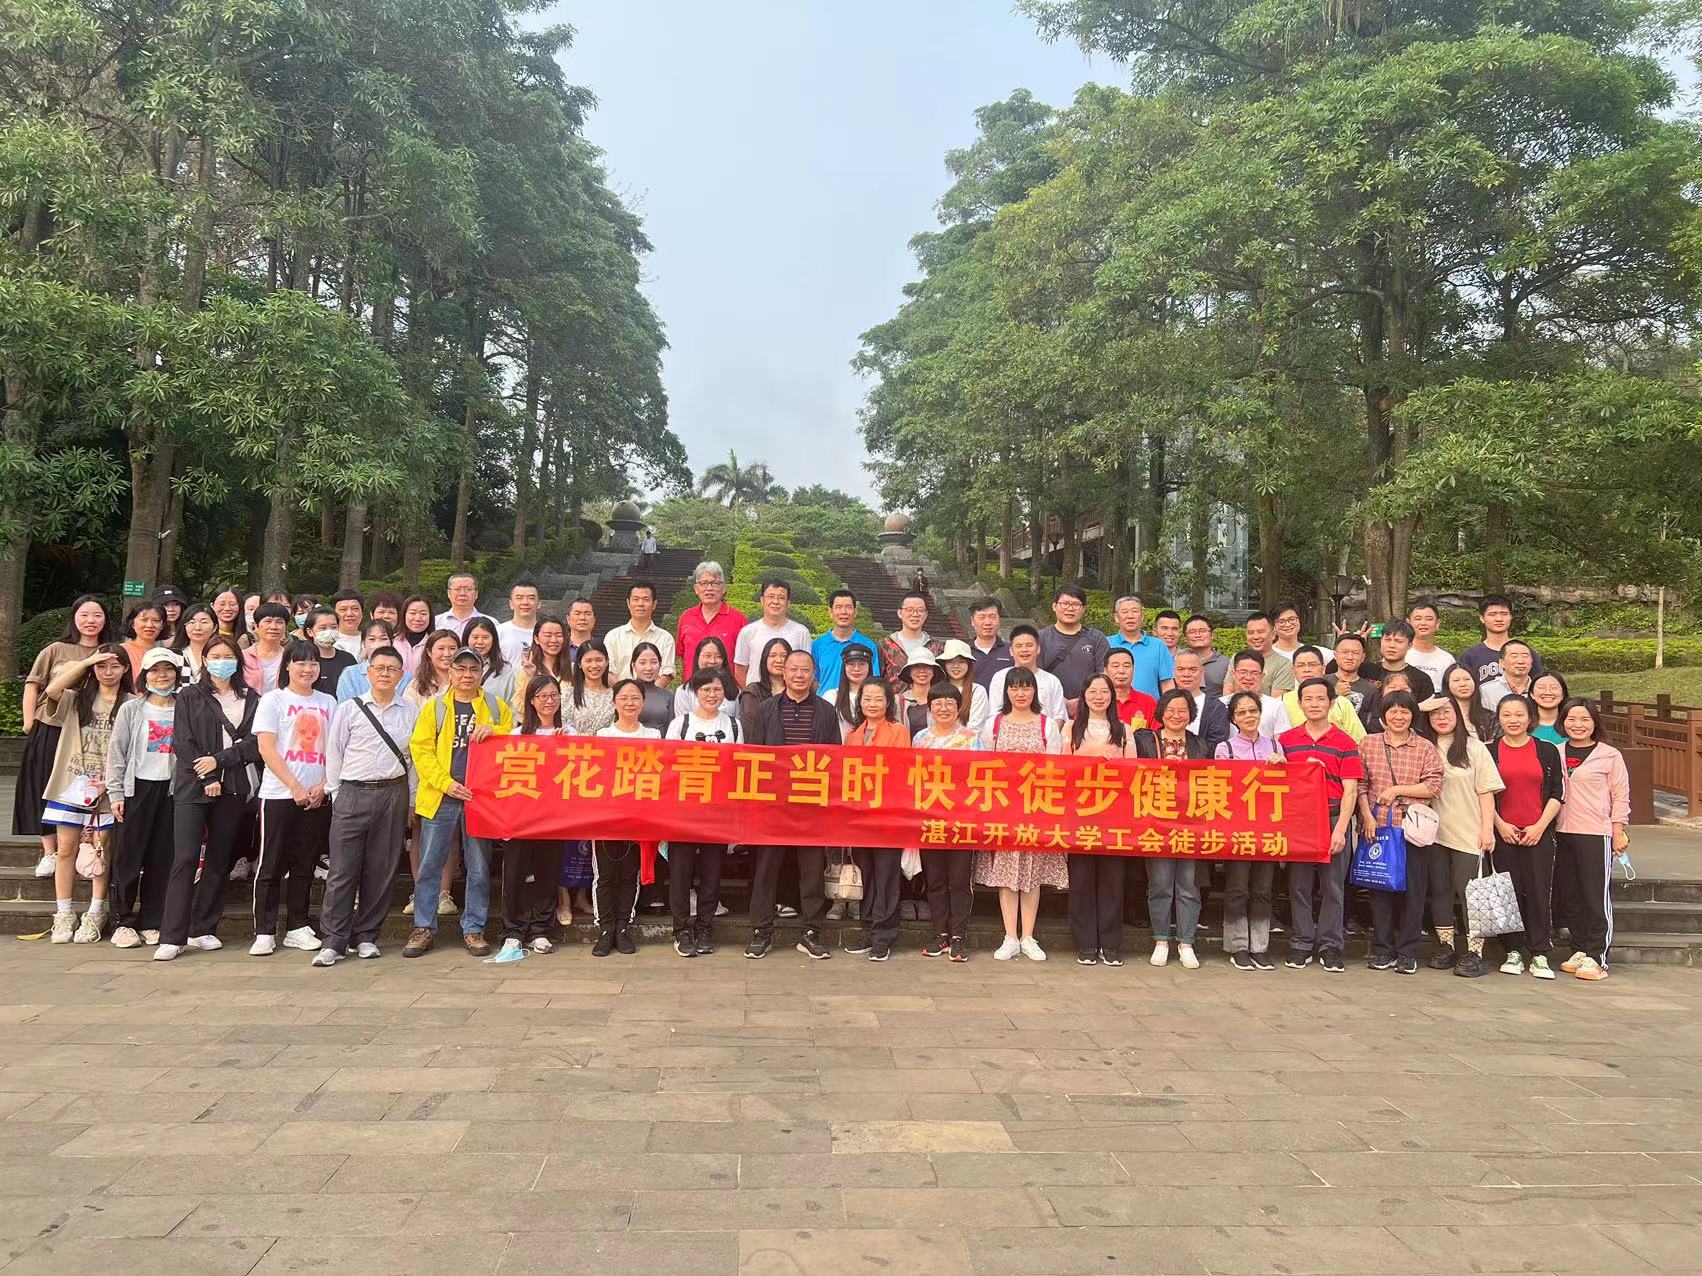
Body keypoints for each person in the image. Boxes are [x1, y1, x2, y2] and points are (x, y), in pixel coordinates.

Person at [403, 646, 514, 959]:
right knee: (430, 864)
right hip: (442, 794)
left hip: (481, 797)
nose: (467, 675)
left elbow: (513, 738)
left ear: (481, 673)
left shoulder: (495, 706)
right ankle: (423, 927)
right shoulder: (435, 708)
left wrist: (495, 730)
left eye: (473, 669)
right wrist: (447, 784)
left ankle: (474, 927)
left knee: (478, 865)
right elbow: (421, 751)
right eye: (461, 669)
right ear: (450, 672)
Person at [155, 635, 261, 960]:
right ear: (204, 660)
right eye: (215, 656)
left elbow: (255, 743)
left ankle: (203, 928)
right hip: (193, 786)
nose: (221, 661)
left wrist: (220, 761)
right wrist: (208, 775)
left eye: (228, 656)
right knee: (185, 858)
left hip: (234, 786)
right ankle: (172, 935)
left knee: (219, 860)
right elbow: (183, 741)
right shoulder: (190, 695)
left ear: (238, 660)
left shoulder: (252, 698)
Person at [314, 644, 417, 967]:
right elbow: (334, 752)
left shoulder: (410, 711)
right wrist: (335, 793)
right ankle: (334, 939)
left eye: (392, 669)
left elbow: (414, 761)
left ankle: (367, 935)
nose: (385, 674)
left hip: (393, 793)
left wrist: (412, 801)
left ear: (401, 675)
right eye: (379, 668)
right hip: (352, 792)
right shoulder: (349, 709)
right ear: (368, 672)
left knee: (382, 869)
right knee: (342, 869)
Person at [744, 650, 840, 960]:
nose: (799, 675)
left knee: (812, 871)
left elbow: (835, 758)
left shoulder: (826, 711)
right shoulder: (766, 709)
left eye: (805, 670)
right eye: (793, 669)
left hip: (812, 804)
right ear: (783, 673)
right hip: (773, 805)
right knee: (766, 869)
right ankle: (761, 931)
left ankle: (810, 931)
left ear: (814, 674)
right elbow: (755, 755)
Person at [38, 645, 130, 943]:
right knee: (66, 848)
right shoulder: (77, 699)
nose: (108, 672)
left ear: (126, 669)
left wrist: (111, 782)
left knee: (102, 849)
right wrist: (88, 660)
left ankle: (95, 912)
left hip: (109, 787)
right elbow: (52, 689)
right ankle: (64, 913)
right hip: (72, 784)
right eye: (101, 666)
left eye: (114, 666)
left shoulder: (131, 704)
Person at [17, 595, 111, 877]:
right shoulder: (55, 649)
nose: (91, 620)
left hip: (89, 730)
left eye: (97, 615)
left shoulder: (110, 651)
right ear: (74, 618)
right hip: (51, 726)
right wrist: (29, 722)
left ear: (105, 619)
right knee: (47, 785)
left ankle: (83, 848)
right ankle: (49, 852)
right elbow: (33, 686)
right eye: (84, 615)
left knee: (86, 786)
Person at [251, 640, 335, 956]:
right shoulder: (273, 700)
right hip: (278, 794)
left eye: (313, 662)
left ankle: (297, 927)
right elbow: (266, 748)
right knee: (271, 864)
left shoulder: (329, 702)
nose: (307, 668)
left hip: (317, 797)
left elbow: (334, 749)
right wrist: (295, 788)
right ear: (287, 665)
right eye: (300, 662)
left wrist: (323, 786)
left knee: (305, 863)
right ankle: (264, 930)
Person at [976, 668, 1065, 961]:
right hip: (1003, 808)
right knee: (1006, 873)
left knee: (1031, 873)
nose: (1020, 693)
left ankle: (1028, 936)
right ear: (1007, 692)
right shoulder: (994, 724)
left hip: (1036, 808)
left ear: (1035, 691)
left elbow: (1054, 767)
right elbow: (986, 764)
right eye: (1014, 688)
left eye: (1026, 687)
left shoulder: (1047, 725)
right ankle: (1009, 937)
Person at [1355, 690, 1445, 974]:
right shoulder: (1368, 744)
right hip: (1377, 828)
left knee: (1413, 893)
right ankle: (1383, 950)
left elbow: (1434, 785)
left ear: (1412, 715)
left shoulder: (1425, 747)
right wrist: (1366, 817)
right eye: (1392, 711)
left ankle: (1407, 952)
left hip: (1411, 831)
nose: (1398, 716)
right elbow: (1360, 785)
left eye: (1404, 711)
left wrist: (1396, 790)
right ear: (1383, 716)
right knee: (1379, 891)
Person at [1277, 678, 1364, 973]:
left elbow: (1351, 790)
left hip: (1333, 816)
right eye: (1308, 699)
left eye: (1320, 698)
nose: (1314, 704)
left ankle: (1330, 946)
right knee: (1298, 885)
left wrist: (1340, 829)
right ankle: (1302, 943)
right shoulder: (1287, 740)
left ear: (1331, 703)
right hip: (1299, 821)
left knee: (1333, 886)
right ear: (1300, 703)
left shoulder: (1345, 742)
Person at [1416, 695, 1503, 978]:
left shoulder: (1474, 748)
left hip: (1469, 832)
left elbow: (1486, 792)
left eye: (1446, 712)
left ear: (1458, 715)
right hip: (1432, 833)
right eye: (1434, 714)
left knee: (1473, 894)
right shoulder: (1423, 747)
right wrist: (1423, 706)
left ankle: (1475, 952)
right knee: (1440, 891)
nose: (1441, 718)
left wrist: (1487, 829)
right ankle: (1447, 946)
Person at [104, 647, 185, 949]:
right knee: (127, 857)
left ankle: (153, 920)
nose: (162, 676)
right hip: (136, 789)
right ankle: (123, 922)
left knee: (161, 858)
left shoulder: (184, 708)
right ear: (145, 675)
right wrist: (115, 793)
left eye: (168, 669)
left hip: (171, 791)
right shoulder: (131, 709)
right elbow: (117, 753)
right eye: (155, 670)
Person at [1486, 694, 1565, 979]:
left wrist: (1540, 826)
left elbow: (1557, 793)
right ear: (1499, 718)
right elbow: (1482, 793)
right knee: (1507, 892)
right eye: (1506, 715)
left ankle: (1540, 952)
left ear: (1529, 717)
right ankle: (1513, 950)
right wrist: (1500, 825)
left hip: (1537, 833)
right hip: (1503, 833)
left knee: (1538, 891)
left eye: (1519, 714)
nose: (1513, 720)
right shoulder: (1489, 750)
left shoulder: (1546, 750)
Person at [664, 669, 742, 958]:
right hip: (684, 812)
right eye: (706, 689)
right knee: (681, 873)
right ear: (695, 692)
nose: (712, 695)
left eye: (717, 689)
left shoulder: (733, 725)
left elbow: (738, 766)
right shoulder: (680, 724)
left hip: (717, 812)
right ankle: (681, 930)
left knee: (712, 871)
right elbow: (667, 765)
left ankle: (705, 927)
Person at [1553, 697, 1630, 983]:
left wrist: (1618, 831)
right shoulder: (1555, 752)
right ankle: (1580, 948)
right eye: (1572, 719)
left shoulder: (1609, 755)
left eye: (1585, 719)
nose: (1578, 725)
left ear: (1595, 722)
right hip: (1562, 831)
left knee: (1594, 896)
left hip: (1596, 833)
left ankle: (1598, 956)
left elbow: (1620, 796)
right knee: (1571, 896)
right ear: (1563, 722)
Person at [497, 675, 573, 957]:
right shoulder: (517, 734)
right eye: (542, 696)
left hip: (553, 817)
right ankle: (513, 930)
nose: (549, 701)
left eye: (554, 695)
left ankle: (541, 929)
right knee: (514, 873)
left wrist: (565, 747)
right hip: (521, 816)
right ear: (531, 701)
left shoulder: (569, 732)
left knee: (547, 872)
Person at [1139, 689, 1212, 969]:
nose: (1176, 715)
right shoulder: (1146, 740)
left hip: (1192, 825)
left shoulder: (1200, 745)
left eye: (1182, 710)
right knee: (1159, 883)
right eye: (1170, 710)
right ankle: (1161, 940)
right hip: (1156, 824)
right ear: (1161, 712)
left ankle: (1186, 942)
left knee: (1189, 885)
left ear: (1191, 714)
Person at [1063, 674, 1132, 966]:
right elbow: (1062, 769)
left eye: (1104, 691)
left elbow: (1133, 771)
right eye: (1093, 691)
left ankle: (1110, 943)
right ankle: (1086, 943)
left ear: (1112, 696)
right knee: (1081, 880)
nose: (1099, 696)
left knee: (1112, 881)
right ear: (1084, 696)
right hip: (1080, 815)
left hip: (1114, 816)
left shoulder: (1124, 729)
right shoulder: (1071, 728)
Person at [588, 679, 661, 956]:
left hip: (639, 817)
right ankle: (605, 929)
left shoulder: (653, 736)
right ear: (614, 702)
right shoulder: (603, 734)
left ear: (643, 702)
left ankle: (622, 927)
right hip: (606, 816)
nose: (629, 703)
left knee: (630, 874)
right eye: (624, 698)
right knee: (605, 874)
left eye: (635, 698)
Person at [841, 681, 911, 961]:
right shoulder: (852, 735)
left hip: (887, 816)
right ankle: (868, 930)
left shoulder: (898, 731)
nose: (872, 704)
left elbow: (901, 771)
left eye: (878, 699)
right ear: (859, 702)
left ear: (888, 703)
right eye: (867, 698)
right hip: (860, 819)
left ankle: (884, 936)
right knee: (867, 875)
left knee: (886, 877)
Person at [1216, 690, 1286, 971]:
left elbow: (1286, 786)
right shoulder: (1225, 749)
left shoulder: (1276, 747)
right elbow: (1221, 788)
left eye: (1253, 711)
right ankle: (1238, 947)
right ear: (1233, 718)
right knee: (1237, 887)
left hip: (1267, 828)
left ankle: (1260, 946)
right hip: (1237, 828)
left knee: (1263, 888)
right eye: (1241, 712)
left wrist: (1282, 767)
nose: (1248, 716)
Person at [913, 682, 979, 961]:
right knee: (936, 880)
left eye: (949, 704)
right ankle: (940, 934)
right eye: (937, 704)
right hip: (929, 820)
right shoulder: (920, 739)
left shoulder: (972, 738)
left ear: (958, 707)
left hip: (962, 821)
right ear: (930, 707)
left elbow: (981, 778)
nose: (943, 708)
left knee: (960, 881)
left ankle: (959, 936)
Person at [558, 640, 613, 922]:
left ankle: (581, 895)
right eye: (589, 660)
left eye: (599, 659)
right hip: (571, 771)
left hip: (602, 774)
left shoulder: (614, 694)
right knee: (566, 836)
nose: (594, 665)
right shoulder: (567, 693)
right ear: (579, 663)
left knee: (589, 836)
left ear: (607, 662)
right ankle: (563, 899)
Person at [1040, 584, 1110, 713]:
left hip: (1089, 708)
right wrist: (1064, 703)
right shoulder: (1040, 638)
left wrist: (1083, 701)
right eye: (1065, 603)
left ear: (1083, 609)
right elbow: (1036, 676)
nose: (1070, 608)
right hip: (1048, 708)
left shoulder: (1097, 638)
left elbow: (1104, 676)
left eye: (1076, 604)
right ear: (1054, 606)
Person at [986, 625, 1067, 729]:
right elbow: (994, 713)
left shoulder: (1052, 680)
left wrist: (1046, 735)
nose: (1024, 650)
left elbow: (1060, 716)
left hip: (1046, 736)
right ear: (1011, 651)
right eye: (1019, 646)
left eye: (1029, 645)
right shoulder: (1000, 677)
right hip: (1008, 734)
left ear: (1038, 649)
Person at [1458, 594, 1544, 690]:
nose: (1499, 619)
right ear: (1482, 618)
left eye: (1504, 614)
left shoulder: (1527, 653)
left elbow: (1538, 687)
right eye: (1492, 614)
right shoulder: (1469, 656)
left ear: (1511, 617)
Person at [676, 561, 746, 680]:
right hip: (692, 687)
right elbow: (682, 655)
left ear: (723, 588)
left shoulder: (738, 619)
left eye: (715, 583)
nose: (709, 588)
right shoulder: (686, 617)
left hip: (726, 688)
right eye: (704, 583)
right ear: (696, 589)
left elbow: (744, 660)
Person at [733, 579, 810, 684]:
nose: (775, 602)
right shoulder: (747, 632)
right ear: (762, 600)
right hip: (757, 692)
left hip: (790, 693)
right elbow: (740, 670)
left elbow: (806, 667)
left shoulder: (801, 632)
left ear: (788, 603)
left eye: (781, 598)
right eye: (771, 597)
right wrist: (751, 692)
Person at [1283, 646, 1365, 742]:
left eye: (1313, 665)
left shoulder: (1341, 703)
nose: (1307, 669)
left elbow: (1360, 741)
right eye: (1301, 665)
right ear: (1293, 671)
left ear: (1323, 668)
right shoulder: (1281, 702)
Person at [605, 581, 676, 683]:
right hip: (620, 692)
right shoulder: (613, 636)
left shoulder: (665, 638)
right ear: (628, 603)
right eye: (636, 599)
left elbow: (667, 673)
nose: (640, 604)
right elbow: (608, 671)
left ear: (654, 604)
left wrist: (651, 692)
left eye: (646, 599)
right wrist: (625, 691)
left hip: (654, 692)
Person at [812, 588, 881, 692]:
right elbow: (814, 681)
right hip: (825, 701)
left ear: (855, 612)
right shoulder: (818, 645)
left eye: (848, 607)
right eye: (838, 607)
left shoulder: (868, 645)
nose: (843, 612)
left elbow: (873, 681)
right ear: (830, 612)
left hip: (856, 701)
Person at [1106, 596, 1175, 700]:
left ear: (1142, 616)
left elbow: (1167, 684)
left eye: (1135, 611)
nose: (1130, 616)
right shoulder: (1105, 643)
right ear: (1116, 617)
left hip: (1150, 708)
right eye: (1125, 612)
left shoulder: (1158, 646)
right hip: (1113, 707)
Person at [1219, 651, 1289, 739]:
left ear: (1262, 676)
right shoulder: (1219, 704)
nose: (1248, 677)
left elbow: (1280, 741)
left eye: (1254, 673)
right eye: (1243, 672)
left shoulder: (1276, 706)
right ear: (1233, 674)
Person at [1171, 649, 1230, 753]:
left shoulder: (1216, 707)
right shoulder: (1164, 704)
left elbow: (1217, 745)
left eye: (1192, 669)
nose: (1186, 674)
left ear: (1202, 672)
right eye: (1181, 669)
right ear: (1173, 671)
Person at [1362, 620, 1436, 702]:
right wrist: (1356, 642)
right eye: (1387, 640)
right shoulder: (1364, 671)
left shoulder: (1421, 679)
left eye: (1399, 641)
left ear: (1409, 645)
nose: (1391, 645)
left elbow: (1427, 707)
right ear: (1381, 641)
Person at [337, 619, 408, 702]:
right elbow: (344, 707)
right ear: (363, 643)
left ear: (391, 642)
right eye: (372, 639)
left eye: (383, 639)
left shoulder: (406, 678)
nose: (378, 644)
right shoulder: (350, 675)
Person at [673, 636, 739, 723]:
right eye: (707, 656)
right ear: (697, 658)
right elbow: (682, 724)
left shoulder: (734, 690)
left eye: (718, 656)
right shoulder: (684, 691)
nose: (712, 661)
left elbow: (738, 722)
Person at [512, 618, 570, 716]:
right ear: (536, 639)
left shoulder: (572, 669)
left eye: (559, 635)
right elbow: (522, 706)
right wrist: (529, 676)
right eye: (547, 635)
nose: (554, 640)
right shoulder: (527, 670)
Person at [737, 637, 792, 740]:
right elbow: (751, 731)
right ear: (764, 659)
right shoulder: (753, 692)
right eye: (773, 655)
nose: (779, 660)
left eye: (784, 656)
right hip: (762, 748)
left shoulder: (798, 692)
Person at [936, 639, 991, 737]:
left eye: (961, 662)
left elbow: (975, 728)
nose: (956, 666)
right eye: (950, 662)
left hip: (968, 743)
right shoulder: (937, 690)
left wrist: (955, 743)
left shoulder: (977, 691)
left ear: (968, 665)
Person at [878, 590, 938, 677]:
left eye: (920, 610)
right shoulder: (885, 645)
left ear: (926, 614)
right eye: (910, 610)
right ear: (899, 613)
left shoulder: (936, 647)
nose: (915, 614)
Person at [827, 643, 877, 740]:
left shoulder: (880, 696)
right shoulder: (831, 696)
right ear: (844, 667)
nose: (856, 669)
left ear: (869, 667)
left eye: (862, 664)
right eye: (851, 664)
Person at [1239, 612, 1297, 695]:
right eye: (1251, 632)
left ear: (1273, 635)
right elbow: (1228, 693)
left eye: (1261, 632)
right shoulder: (1237, 658)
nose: (1256, 637)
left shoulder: (1284, 664)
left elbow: (1277, 700)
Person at [304, 606, 357, 696]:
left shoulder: (348, 659)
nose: (329, 632)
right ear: (310, 632)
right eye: (322, 628)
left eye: (333, 627)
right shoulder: (304, 660)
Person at [1328, 633, 1379, 725]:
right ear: (1335, 655)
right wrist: (1335, 694)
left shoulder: (1371, 690)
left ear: (1363, 657)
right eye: (1345, 652)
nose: (1350, 657)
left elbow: (1373, 724)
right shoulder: (1322, 682)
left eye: (1355, 653)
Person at [463, 616, 515, 705]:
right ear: (467, 638)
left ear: (493, 640)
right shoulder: (455, 668)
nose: (480, 642)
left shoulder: (505, 671)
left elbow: (511, 705)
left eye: (485, 637)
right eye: (475, 637)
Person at [1102, 648, 1156, 729]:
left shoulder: (1149, 702)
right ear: (1105, 671)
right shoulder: (1096, 700)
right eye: (1115, 666)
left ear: (1133, 669)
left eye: (1126, 666)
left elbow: (1156, 733)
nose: (1121, 671)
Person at [1478, 639, 1537, 713]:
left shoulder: (1539, 689)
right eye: (1514, 656)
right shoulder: (1487, 690)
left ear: (1531, 662)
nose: (1521, 661)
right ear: (1501, 662)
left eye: (1525, 656)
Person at [1405, 599, 1454, 686]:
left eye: (1429, 619)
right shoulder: (1400, 654)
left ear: (1437, 624)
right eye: (1418, 619)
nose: (1423, 623)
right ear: (1408, 623)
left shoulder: (1447, 659)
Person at [630, 641, 678, 732]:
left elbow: (672, 731)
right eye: (642, 663)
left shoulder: (668, 696)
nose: (649, 668)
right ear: (634, 665)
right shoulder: (625, 694)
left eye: (654, 662)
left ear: (660, 664)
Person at [967, 598, 1013, 689]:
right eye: (982, 617)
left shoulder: (1012, 651)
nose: (987, 622)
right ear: (972, 621)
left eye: (992, 617)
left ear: (999, 620)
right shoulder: (964, 652)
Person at [1440, 662, 1493, 740]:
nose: (1463, 684)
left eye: (1467, 679)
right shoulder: (1441, 717)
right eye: (1456, 680)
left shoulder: (1490, 717)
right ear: (1447, 685)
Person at [496, 578, 541, 666]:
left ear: (539, 604)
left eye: (531, 598)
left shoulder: (547, 633)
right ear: (511, 604)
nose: (525, 602)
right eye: (519, 598)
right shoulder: (498, 632)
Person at [895, 650, 941, 735]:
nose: (922, 670)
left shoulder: (943, 699)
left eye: (927, 666)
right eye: (916, 666)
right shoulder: (898, 701)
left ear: (933, 671)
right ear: (909, 672)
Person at [1271, 601, 1331, 666]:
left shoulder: (1317, 652)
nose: (1287, 624)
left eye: (1292, 619)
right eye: (1281, 621)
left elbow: (1337, 656)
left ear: (1299, 621)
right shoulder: (1267, 653)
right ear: (1273, 625)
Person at [1183, 614, 1230, 695]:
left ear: (1212, 635)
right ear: (1185, 638)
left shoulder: (1225, 663)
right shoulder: (1178, 661)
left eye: (1202, 631)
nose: (1197, 635)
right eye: (1192, 632)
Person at [120, 601, 166, 681]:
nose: (150, 625)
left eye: (156, 620)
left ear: (162, 625)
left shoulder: (165, 654)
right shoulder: (121, 651)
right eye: (144, 620)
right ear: (132, 624)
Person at [434, 572, 489, 638]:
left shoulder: (491, 623)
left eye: (468, 589)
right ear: (449, 593)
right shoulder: (435, 622)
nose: (462, 593)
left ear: (476, 593)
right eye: (457, 589)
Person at [172, 604, 217, 680]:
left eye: (204, 622)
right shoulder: (174, 656)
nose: (197, 628)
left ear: (215, 627)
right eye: (192, 622)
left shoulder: (222, 655)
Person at [395, 595, 435, 675]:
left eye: (423, 614)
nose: (418, 618)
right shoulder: (392, 641)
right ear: (404, 614)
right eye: (412, 613)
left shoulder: (435, 643)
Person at [1529, 672, 1569, 745]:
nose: (1548, 692)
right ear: (1532, 694)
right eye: (1541, 687)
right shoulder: (1523, 725)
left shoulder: (1573, 725)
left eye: (1554, 688)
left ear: (1563, 694)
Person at [329, 589, 366, 658]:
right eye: (343, 609)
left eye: (355, 609)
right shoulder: (328, 641)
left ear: (362, 613)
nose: (349, 614)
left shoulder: (370, 638)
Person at [566, 597, 597, 664]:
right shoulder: (559, 646)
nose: (582, 618)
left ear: (594, 619)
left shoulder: (600, 647)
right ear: (568, 619)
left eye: (587, 614)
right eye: (577, 613)